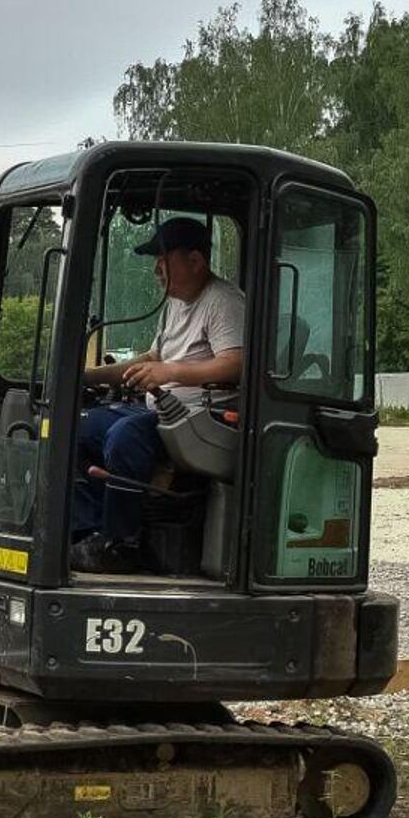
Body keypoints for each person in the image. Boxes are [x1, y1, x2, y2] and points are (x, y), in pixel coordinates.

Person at [69, 217, 244, 574]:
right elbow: (154, 358)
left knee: (125, 437)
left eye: (163, 259)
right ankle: (89, 534)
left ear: (195, 261)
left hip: (197, 422)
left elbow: (235, 362)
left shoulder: (223, 302)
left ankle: (122, 543)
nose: (156, 270)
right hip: (161, 412)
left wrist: (171, 372)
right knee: (77, 427)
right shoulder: (175, 305)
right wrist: (87, 376)